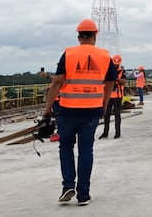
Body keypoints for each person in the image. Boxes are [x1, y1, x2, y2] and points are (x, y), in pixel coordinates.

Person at [42, 19, 116, 206]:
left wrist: (48, 109)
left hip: (67, 110)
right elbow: (110, 84)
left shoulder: (69, 54)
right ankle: (83, 194)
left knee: (65, 146)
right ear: (95, 36)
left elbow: (57, 82)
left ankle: (68, 185)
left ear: (78, 37)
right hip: (92, 110)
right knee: (86, 150)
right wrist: (104, 104)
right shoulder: (104, 56)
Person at [100, 54, 127, 138]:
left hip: (118, 96)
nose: (115, 65)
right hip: (108, 96)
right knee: (106, 114)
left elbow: (124, 81)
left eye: (117, 64)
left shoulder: (122, 71)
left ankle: (117, 133)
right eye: (114, 64)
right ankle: (105, 132)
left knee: (117, 115)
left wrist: (117, 80)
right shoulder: (108, 70)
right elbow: (103, 81)